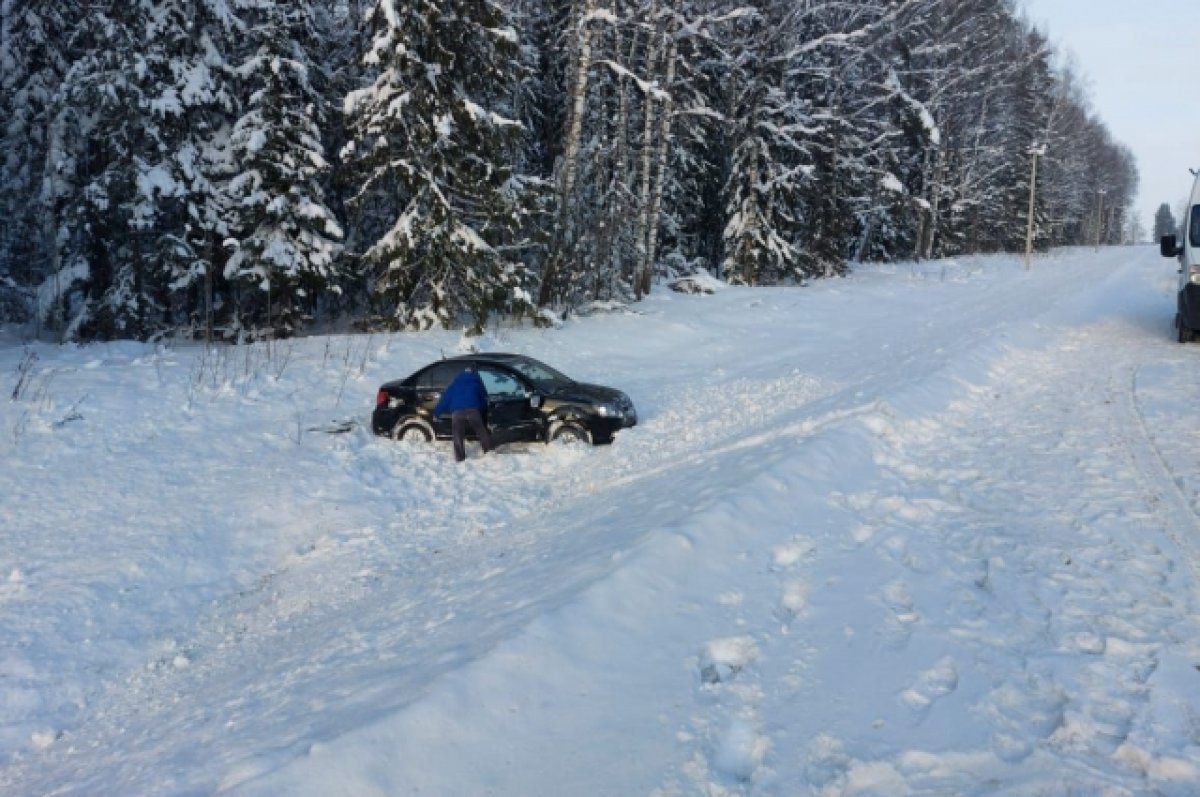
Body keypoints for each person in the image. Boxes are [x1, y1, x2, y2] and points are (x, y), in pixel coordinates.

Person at [430, 364, 492, 462]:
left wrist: (436, 413)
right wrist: (484, 410)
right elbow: (483, 398)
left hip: (457, 412)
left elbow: (445, 400)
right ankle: (488, 452)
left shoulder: (454, 384)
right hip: (473, 411)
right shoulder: (476, 383)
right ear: (473, 373)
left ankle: (460, 457)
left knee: (457, 435)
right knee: (481, 431)